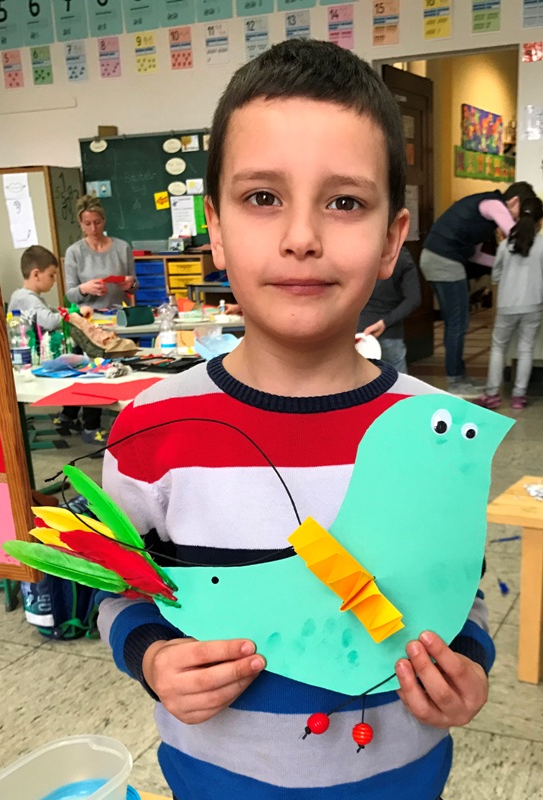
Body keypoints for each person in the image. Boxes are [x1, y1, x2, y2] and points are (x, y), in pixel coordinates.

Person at [98, 40, 492, 800]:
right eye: (262, 197)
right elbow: (118, 584)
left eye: (344, 202)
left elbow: (462, 589)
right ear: (215, 229)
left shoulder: (437, 430)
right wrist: (150, 655)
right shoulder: (152, 427)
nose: (301, 236)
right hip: (216, 780)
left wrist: (469, 660)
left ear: (392, 240)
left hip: (401, 780)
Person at [420, 182, 536, 396]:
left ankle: (459, 376)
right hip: (443, 260)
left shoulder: (483, 218)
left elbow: (476, 256)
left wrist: (500, 264)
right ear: (514, 201)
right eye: (521, 212)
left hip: (438, 259)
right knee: (457, 324)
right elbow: (515, 236)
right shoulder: (494, 204)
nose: (519, 218)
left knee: (457, 323)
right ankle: (455, 381)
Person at [64, 195, 138, 443]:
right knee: (94, 373)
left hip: (118, 318)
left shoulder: (122, 247)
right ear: (80, 224)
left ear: (104, 220)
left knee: (125, 369)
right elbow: (70, 293)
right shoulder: (74, 252)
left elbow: (134, 286)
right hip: (88, 322)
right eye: (87, 224)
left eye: (97, 222)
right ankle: (91, 425)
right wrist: (85, 289)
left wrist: (129, 283)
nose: (93, 228)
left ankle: (127, 420)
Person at [8, 245, 95, 437]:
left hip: (33, 356)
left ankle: (68, 414)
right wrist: (75, 314)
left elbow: (48, 314)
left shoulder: (24, 296)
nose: (54, 281)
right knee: (86, 365)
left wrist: (67, 311)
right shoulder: (27, 298)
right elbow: (49, 321)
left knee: (78, 359)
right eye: (51, 275)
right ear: (36, 274)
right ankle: (91, 425)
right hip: (31, 361)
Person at [476, 196, 543, 410]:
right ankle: (518, 397)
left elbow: (496, 276)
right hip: (534, 305)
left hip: (507, 305)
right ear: (540, 221)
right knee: (525, 349)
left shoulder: (506, 245)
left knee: (498, 348)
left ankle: (492, 395)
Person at [357, 245, 421, 372]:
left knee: (359, 382)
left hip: (357, 330)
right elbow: (413, 299)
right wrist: (385, 322)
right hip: (390, 331)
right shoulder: (401, 256)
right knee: (398, 381)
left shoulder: (354, 252)